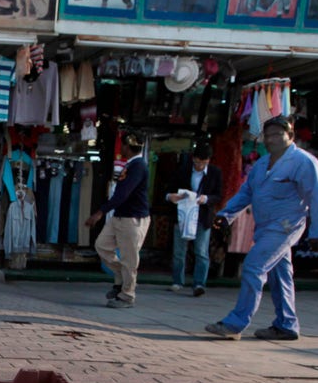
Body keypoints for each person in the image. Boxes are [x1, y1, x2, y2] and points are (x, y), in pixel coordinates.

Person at [204, 116, 318, 341]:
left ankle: (236, 322)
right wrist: (226, 215)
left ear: (290, 136)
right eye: (268, 135)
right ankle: (286, 324)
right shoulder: (262, 163)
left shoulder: (304, 162)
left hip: (286, 227)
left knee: (254, 265)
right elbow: (246, 193)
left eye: (277, 134)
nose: (272, 139)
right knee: (280, 276)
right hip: (264, 227)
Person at [87, 132, 151, 308]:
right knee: (102, 246)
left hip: (133, 219)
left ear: (127, 147)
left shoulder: (138, 166)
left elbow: (123, 194)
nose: (121, 149)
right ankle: (121, 278)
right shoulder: (130, 165)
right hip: (120, 216)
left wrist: (100, 212)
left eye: (122, 145)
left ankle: (127, 295)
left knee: (130, 259)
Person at [166, 142, 223, 297]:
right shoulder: (183, 171)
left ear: (209, 160)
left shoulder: (214, 173)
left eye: (203, 163)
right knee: (179, 251)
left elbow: (218, 195)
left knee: (201, 251)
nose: (199, 166)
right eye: (197, 162)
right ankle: (178, 280)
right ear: (193, 159)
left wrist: (206, 199)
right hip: (182, 215)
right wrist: (171, 196)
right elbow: (169, 190)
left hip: (203, 216)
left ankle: (199, 283)